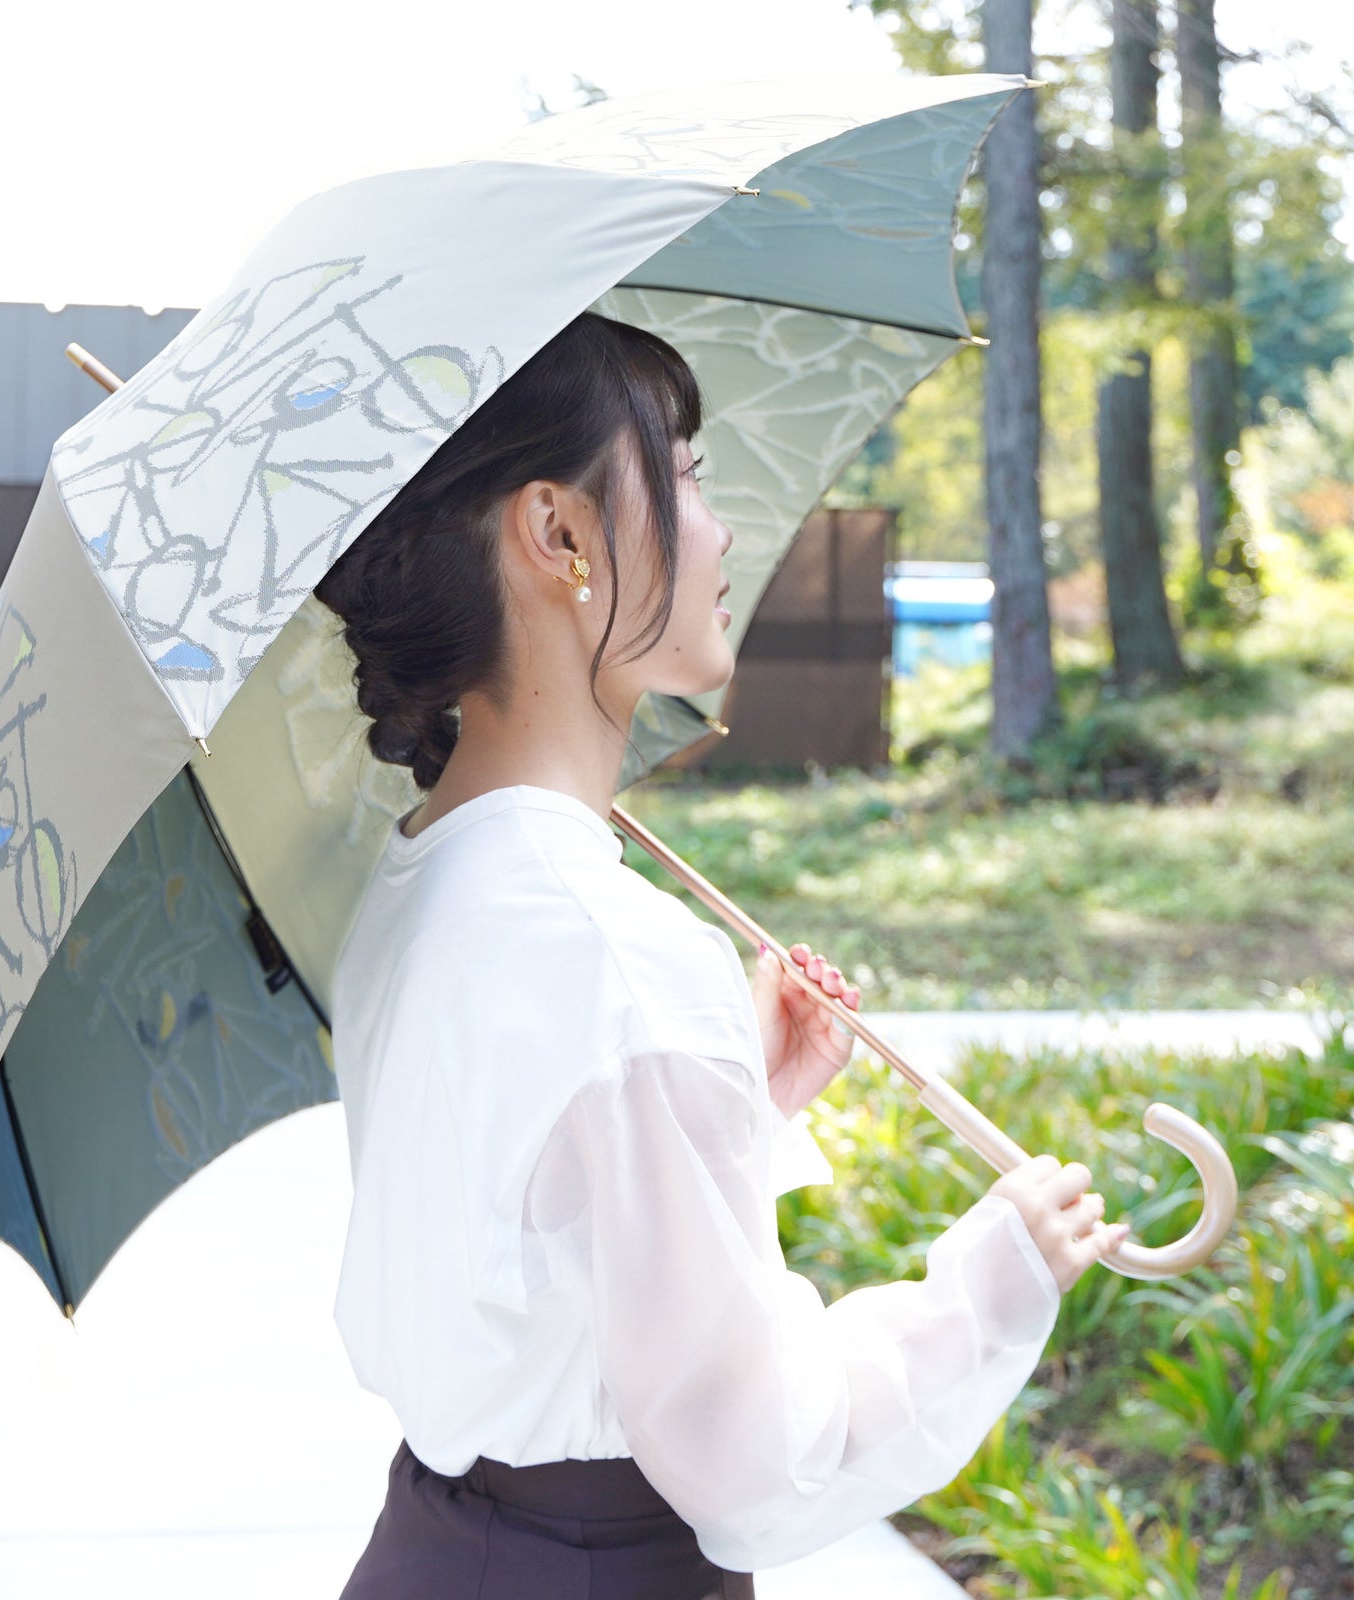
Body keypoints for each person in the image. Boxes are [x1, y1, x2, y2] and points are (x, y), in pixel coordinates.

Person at [311, 311, 1130, 1600]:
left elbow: (527, 1247)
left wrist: (730, 1098)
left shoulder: (424, 874)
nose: (722, 526)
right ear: (559, 535)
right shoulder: (615, 952)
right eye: (683, 474)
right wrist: (995, 1274)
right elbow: (758, 1464)